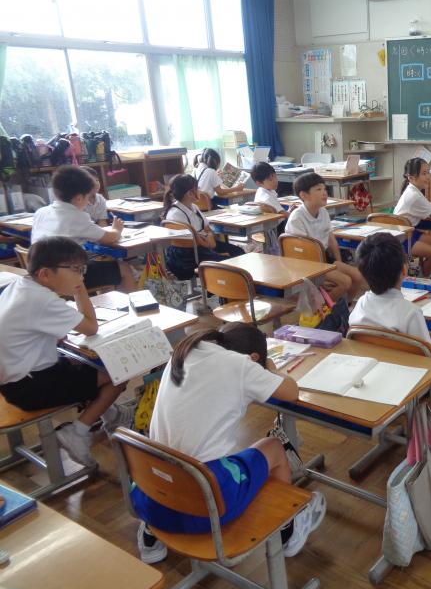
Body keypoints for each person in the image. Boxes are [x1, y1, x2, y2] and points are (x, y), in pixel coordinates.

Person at [130, 323, 326, 563]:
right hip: (203, 506)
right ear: (254, 358)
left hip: (150, 494)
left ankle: (150, 538)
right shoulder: (242, 365)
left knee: (182, 451)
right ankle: (288, 531)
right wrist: (271, 369)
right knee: (273, 447)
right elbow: (291, 391)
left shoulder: (186, 351)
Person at [0, 237, 132, 467]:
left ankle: (108, 413)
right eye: (76, 270)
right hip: (30, 387)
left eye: (83, 269)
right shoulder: (42, 300)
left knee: (86, 363)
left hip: (15, 378)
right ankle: (77, 432)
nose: (81, 276)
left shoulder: (19, 286)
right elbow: (91, 327)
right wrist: (80, 290)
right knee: (119, 371)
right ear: (45, 274)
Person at [351, 232, 431, 400]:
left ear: (362, 273)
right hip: (408, 383)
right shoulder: (411, 313)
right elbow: (428, 360)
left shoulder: (360, 304)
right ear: (404, 270)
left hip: (372, 377)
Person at [31, 165, 136, 292]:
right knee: (124, 268)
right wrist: (117, 229)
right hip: (66, 277)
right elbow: (110, 238)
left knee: (98, 263)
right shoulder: (76, 217)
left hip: (42, 276)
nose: (88, 202)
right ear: (79, 198)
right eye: (87, 197)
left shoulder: (41, 212)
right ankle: (136, 303)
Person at [285, 172, 364, 302]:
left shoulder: (323, 212)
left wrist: (338, 261)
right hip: (306, 263)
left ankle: (346, 305)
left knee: (358, 276)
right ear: (304, 195)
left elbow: (331, 239)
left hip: (323, 259)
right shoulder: (297, 218)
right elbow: (301, 253)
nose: (324, 193)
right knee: (345, 282)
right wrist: (323, 273)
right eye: (318, 189)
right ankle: (320, 309)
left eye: (325, 189)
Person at [162, 174, 245, 280]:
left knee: (239, 252)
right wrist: (208, 242)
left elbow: (207, 229)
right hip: (187, 255)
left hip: (201, 246)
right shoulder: (175, 214)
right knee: (230, 264)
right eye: (197, 189)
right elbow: (188, 241)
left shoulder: (194, 207)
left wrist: (209, 237)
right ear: (189, 193)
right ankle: (221, 287)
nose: (200, 191)